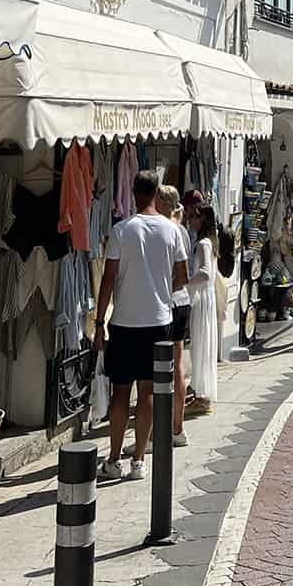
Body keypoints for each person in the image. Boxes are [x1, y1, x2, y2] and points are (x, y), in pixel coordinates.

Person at [93, 169, 190, 479]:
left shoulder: (122, 230)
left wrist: (98, 323)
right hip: (159, 322)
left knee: (121, 392)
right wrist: (159, 291)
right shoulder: (172, 231)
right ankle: (138, 460)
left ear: (133, 192)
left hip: (124, 322)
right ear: (156, 192)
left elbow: (107, 280)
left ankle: (113, 458)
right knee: (147, 392)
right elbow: (182, 277)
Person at [185, 200, 219, 417]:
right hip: (206, 297)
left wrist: (185, 281)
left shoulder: (204, 244)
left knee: (200, 345)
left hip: (201, 297)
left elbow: (205, 272)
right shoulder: (210, 242)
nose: (191, 220)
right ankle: (199, 390)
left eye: (195, 216)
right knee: (202, 345)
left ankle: (201, 396)